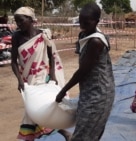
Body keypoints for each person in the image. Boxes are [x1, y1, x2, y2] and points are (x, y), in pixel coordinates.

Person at [55, 2, 115, 141]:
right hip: (88, 89)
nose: (82, 26)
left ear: (97, 21)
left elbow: (83, 71)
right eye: (80, 22)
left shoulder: (96, 41)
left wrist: (63, 90)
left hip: (100, 93)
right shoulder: (84, 35)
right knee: (86, 127)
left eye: (86, 23)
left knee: (90, 128)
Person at [11, 6, 71, 141]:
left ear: (31, 19)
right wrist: (20, 81)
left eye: (21, 21)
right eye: (16, 22)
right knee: (36, 108)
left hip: (44, 77)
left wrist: (53, 76)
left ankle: (27, 138)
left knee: (38, 108)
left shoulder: (44, 36)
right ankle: (65, 134)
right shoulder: (16, 37)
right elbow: (14, 62)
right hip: (28, 79)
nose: (18, 24)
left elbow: (51, 57)